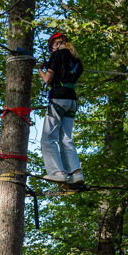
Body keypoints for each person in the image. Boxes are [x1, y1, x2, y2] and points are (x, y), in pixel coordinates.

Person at [37, 32, 85, 187]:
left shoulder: (57, 55)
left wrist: (40, 69)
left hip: (58, 100)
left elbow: (47, 79)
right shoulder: (76, 60)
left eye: (51, 47)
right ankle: (76, 173)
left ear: (56, 44)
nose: (52, 50)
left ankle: (57, 172)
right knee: (66, 139)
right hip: (72, 101)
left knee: (48, 138)